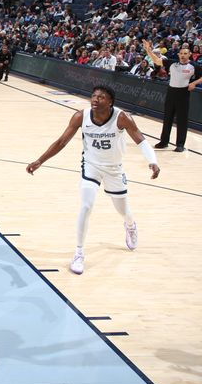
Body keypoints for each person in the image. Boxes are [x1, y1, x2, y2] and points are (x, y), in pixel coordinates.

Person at [26, 86, 160, 275]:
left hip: (114, 169)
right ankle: (79, 253)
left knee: (123, 210)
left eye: (101, 97)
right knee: (86, 206)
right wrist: (40, 160)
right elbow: (61, 142)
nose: (95, 99)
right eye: (94, 96)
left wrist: (152, 161)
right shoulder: (81, 116)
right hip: (91, 165)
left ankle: (130, 226)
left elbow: (141, 140)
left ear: (110, 102)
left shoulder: (122, 118)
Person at [143, 39, 202, 152]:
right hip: (171, 92)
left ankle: (180, 144)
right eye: (181, 53)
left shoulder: (194, 66)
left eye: (186, 53)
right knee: (167, 118)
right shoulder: (172, 63)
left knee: (182, 120)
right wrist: (148, 49)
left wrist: (194, 83)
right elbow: (156, 60)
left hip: (183, 93)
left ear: (189, 55)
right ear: (178, 54)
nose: (183, 55)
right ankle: (164, 141)